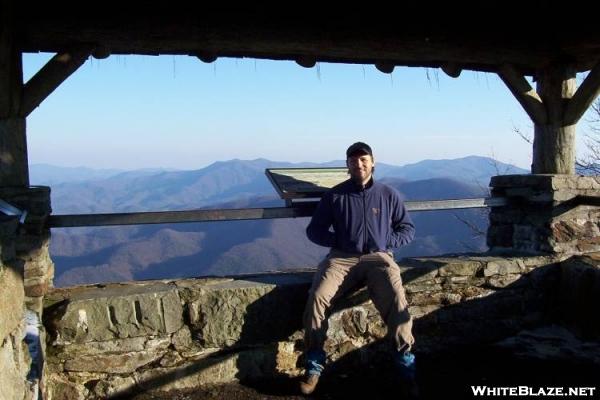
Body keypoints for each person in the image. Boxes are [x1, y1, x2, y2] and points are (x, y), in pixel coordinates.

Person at [299, 141, 417, 396]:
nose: (359, 164)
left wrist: (387, 243)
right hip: (342, 259)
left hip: (379, 258)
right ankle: (314, 364)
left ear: (373, 162)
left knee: (397, 301)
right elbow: (314, 231)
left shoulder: (388, 194)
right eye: (353, 161)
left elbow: (407, 229)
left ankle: (405, 367)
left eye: (363, 159)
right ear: (347, 165)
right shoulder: (335, 195)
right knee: (318, 298)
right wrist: (339, 241)